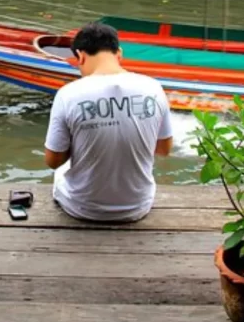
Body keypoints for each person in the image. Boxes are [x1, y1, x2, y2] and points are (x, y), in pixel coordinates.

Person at [44, 22, 174, 223]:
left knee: (62, 170)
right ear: (119, 53)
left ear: (81, 56)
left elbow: (53, 161)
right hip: (138, 207)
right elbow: (164, 149)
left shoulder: (68, 94)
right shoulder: (154, 88)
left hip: (82, 208)